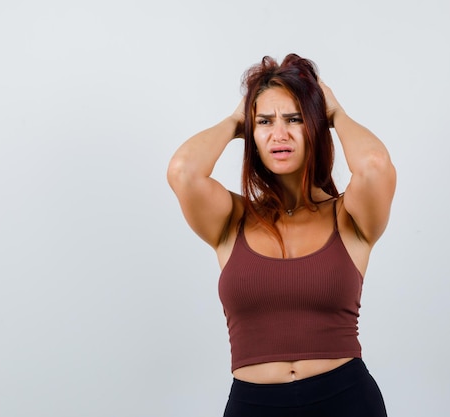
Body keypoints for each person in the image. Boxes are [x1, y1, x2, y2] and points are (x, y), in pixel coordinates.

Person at [167, 53, 396, 417]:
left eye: (295, 119)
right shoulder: (232, 220)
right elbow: (183, 171)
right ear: (251, 133)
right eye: (265, 121)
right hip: (254, 405)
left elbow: (374, 166)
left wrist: (335, 113)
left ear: (316, 128)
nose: (279, 134)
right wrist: (234, 119)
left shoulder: (349, 218)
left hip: (346, 399)